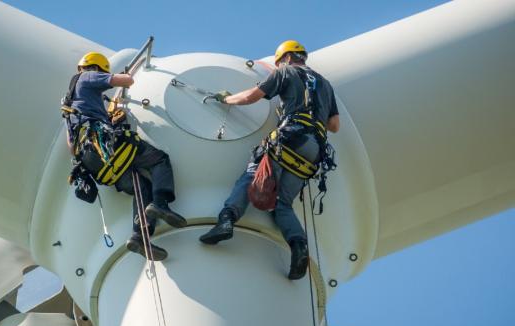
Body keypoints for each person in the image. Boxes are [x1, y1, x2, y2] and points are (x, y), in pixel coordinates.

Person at [199, 40, 340, 279]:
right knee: (282, 204)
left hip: (289, 137)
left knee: (252, 176)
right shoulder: (325, 85)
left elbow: (252, 97)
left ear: (285, 58)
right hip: (314, 151)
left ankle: (226, 221)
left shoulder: (284, 72)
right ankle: (299, 246)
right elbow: (334, 125)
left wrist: (226, 100)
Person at [63, 52, 187, 261]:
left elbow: (70, 145)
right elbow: (126, 80)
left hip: (92, 160)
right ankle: (161, 204)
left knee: (142, 186)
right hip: (105, 144)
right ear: (97, 68)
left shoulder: (69, 103)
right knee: (159, 160)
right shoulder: (88, 76)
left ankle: (139, 236)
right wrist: (122, 76)